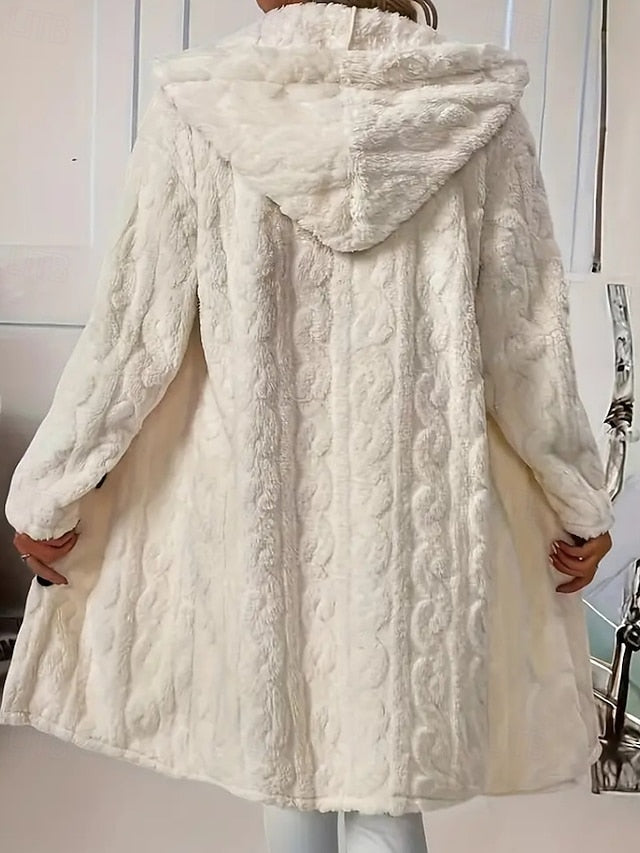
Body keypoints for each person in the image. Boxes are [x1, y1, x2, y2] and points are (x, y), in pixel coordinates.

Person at [3, 1, 614, 851]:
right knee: (388, 777)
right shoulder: (473, 109)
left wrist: (47, 492)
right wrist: (579, 499)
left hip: (263, 511)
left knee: (284, 762)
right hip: (415, 518)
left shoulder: (204, 104)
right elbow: (527, 341)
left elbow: (132, 335)